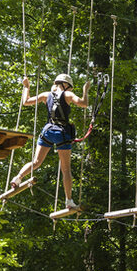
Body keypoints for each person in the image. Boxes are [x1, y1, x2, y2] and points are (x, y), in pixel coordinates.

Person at [9, 74, 90, 210]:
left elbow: (26, 102)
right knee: (66, 170)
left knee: (36, 162)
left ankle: (18, 177)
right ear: (66, 85)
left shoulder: (46, 95)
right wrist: (85, 90)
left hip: (48, 131)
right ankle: (69, 201)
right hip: (61, 133)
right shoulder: (68, 96)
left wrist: (26, 87)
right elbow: (84, 104)